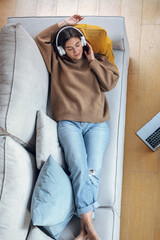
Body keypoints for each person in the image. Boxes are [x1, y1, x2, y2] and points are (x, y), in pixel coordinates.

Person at [35, 14, 119, 240]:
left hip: (98, 125)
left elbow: (110, 83)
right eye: (69, 49)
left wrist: (92, 61)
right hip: (69, 123)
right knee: (79, 168)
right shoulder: (56, 62)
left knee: (92, 172)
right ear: (62, 51)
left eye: (78, 45)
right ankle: (90, 228)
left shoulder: (97, 61)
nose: (75, 51)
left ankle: (84, 230)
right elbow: (40, 39)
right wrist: (64, 24)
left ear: (84, 43)